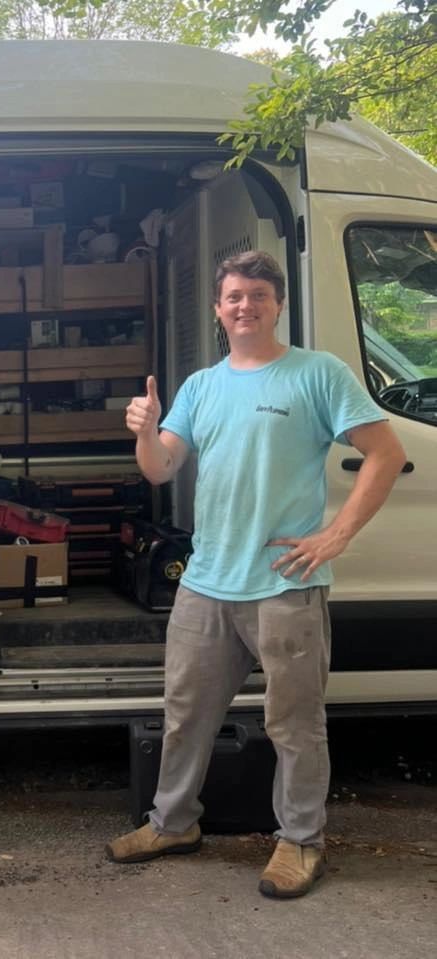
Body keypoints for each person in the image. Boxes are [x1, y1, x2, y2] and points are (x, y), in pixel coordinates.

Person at [106, 251, 407, 899]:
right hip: (206, 579)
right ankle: (172, 822)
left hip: (282, 582)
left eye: (258, 294)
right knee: (185, 714)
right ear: (218, 309)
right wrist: (144, 428)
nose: (245, 305)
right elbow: (160, 468)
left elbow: (385, 453)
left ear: (277, 305)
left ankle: (299, 840)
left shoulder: (316, 374)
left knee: (294, 723)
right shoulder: (202, 386)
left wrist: (335, 534)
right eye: (234, 295)